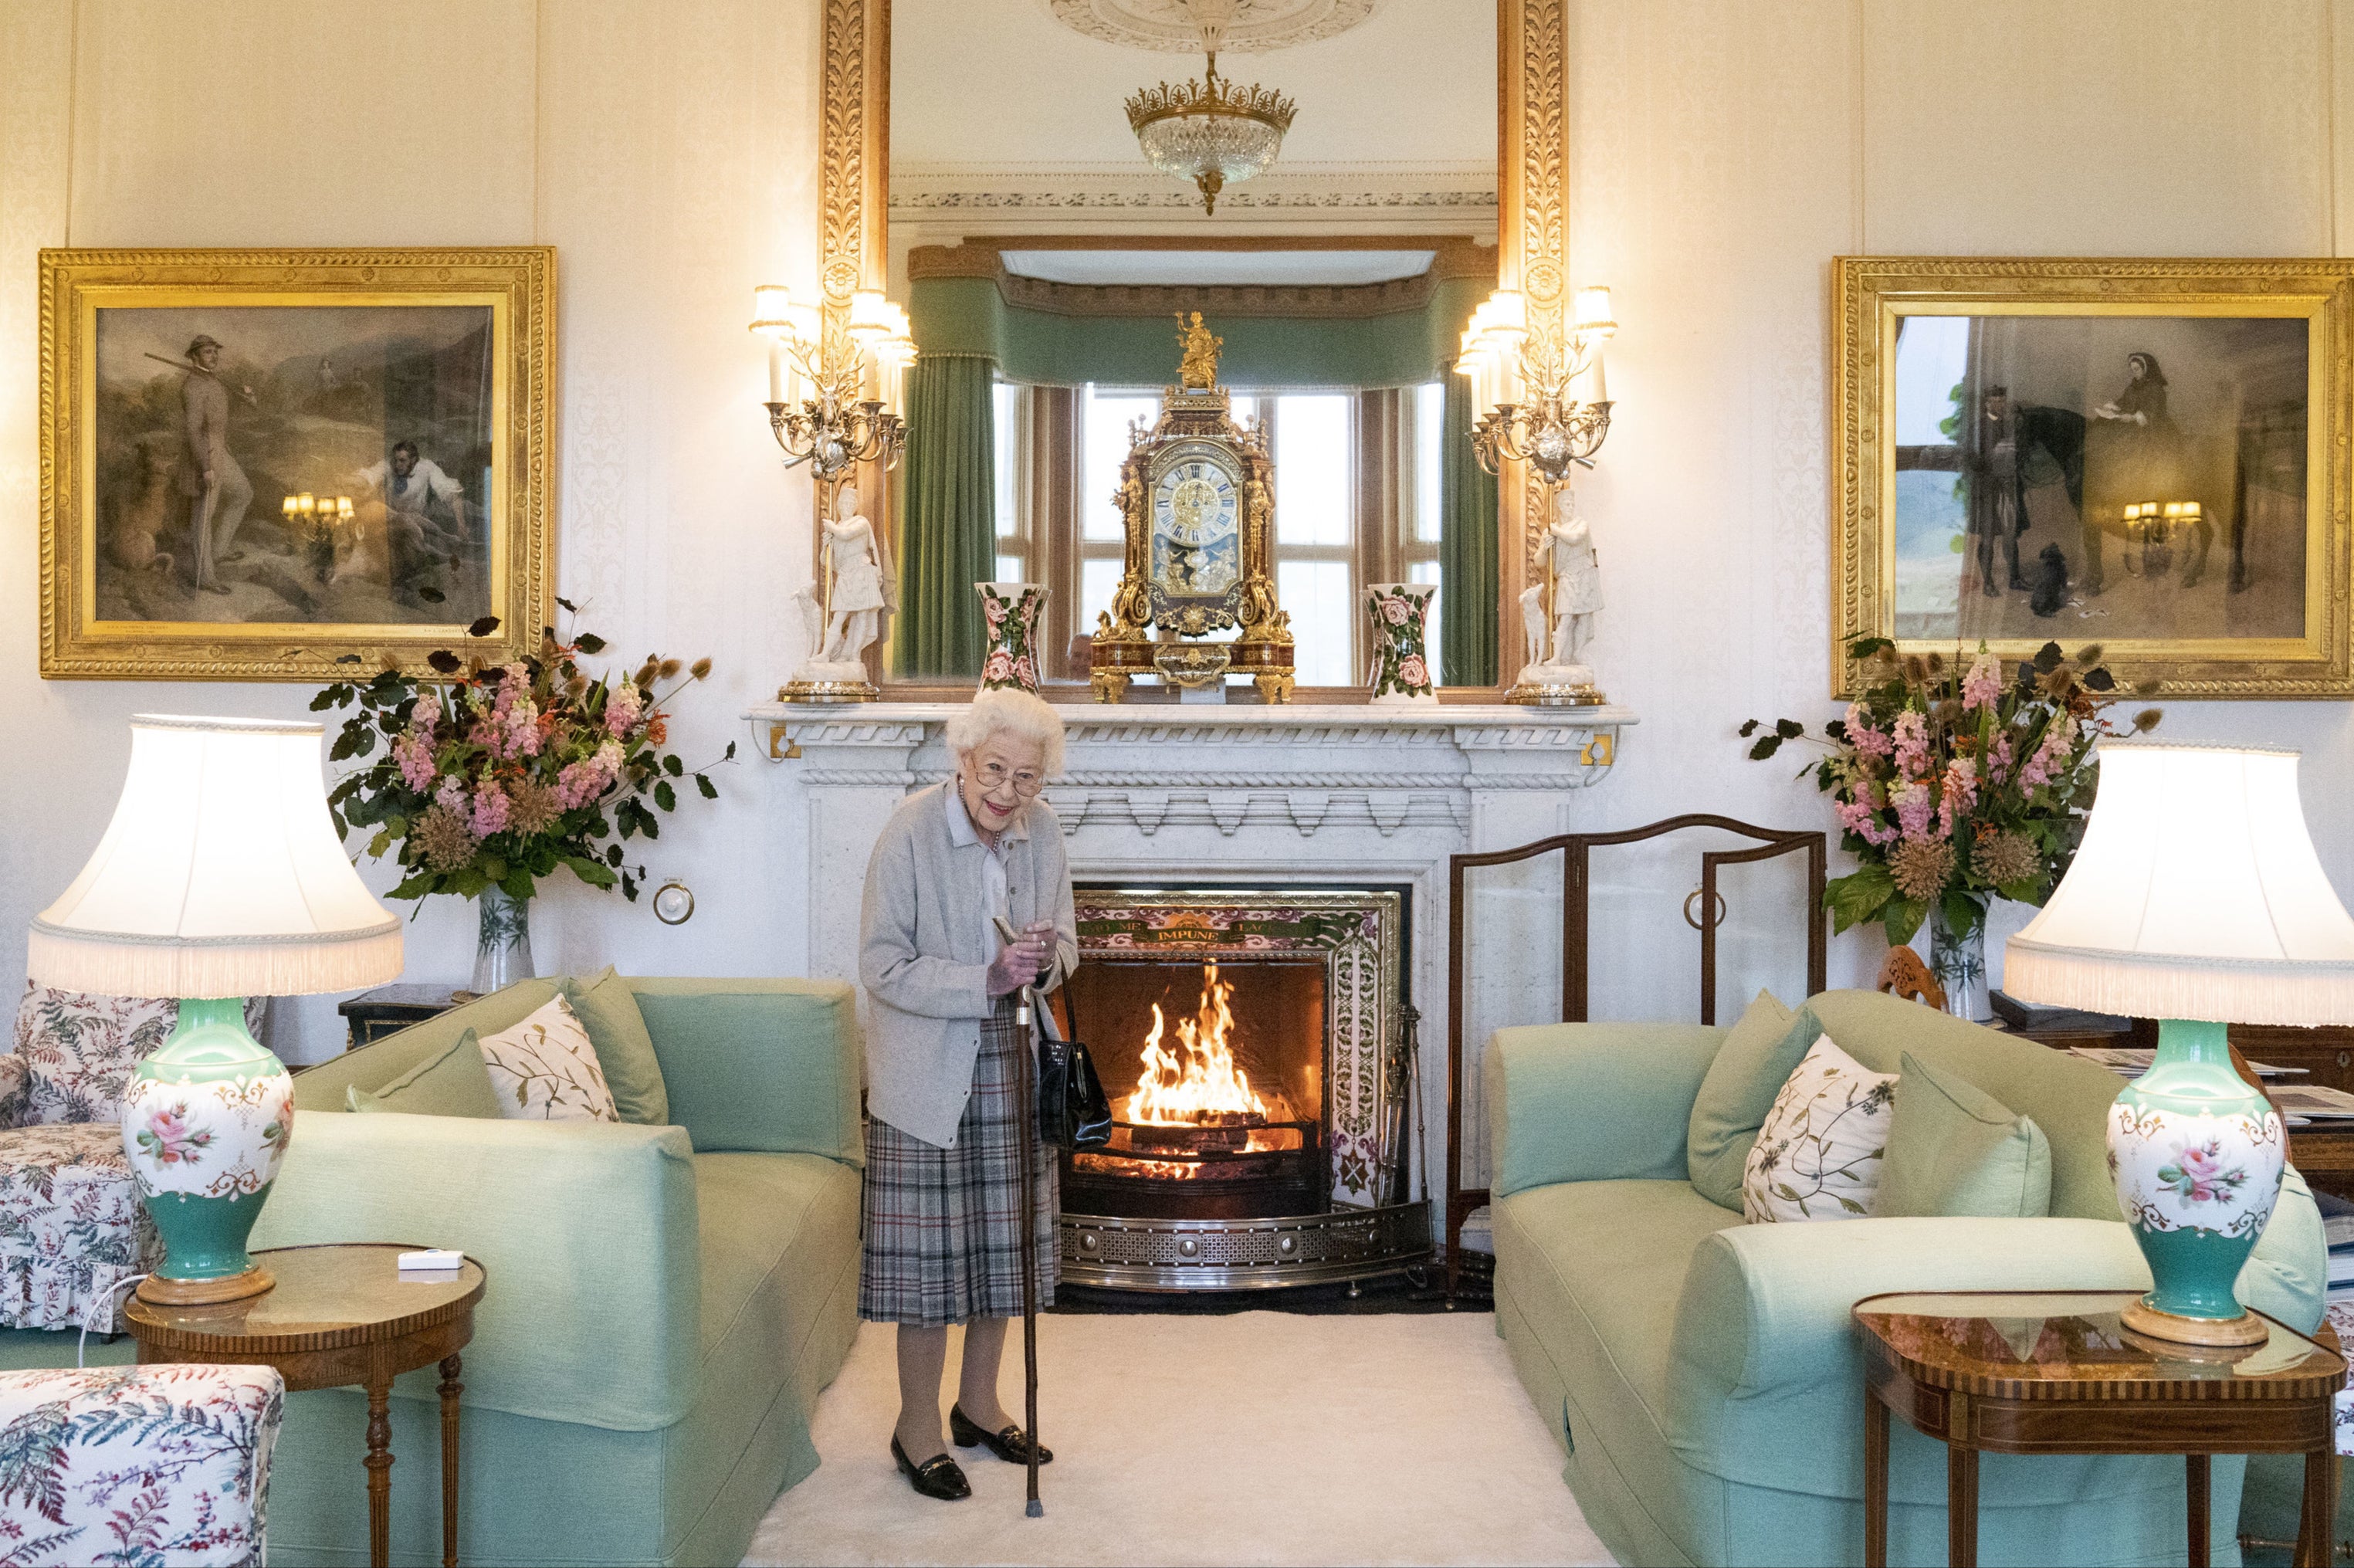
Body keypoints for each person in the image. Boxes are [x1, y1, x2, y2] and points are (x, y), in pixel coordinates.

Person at [858, 688, 1076, 1502]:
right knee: (931, 1265)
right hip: (927, 1070)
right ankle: (916, 1427)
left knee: (1000, 1250)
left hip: (1015, 1059)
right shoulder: (911, 829)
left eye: (1026, 777)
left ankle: (978, 1406)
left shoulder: (1042, 830)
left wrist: (1043, 959)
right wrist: (983, 978)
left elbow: (1068, 946)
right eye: (995, 770)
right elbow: (880, 965)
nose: (1008, 793)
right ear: (962, 759)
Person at [179, 335, 254, 594]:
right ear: (195, 356)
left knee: (243, 493)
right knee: (204, 516)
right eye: (208, 352)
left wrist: (246, 398)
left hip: (221, 447)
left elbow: (221, 416)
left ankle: (218, 552)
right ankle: (205, 577)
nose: (214, 356)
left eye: (215, 352)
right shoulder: (193, 386)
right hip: (205, 451)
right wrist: (205, 466)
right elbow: (192, 429)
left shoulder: (212, 380)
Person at [351, 441, 472, 552]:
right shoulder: (388, 465)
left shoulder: (427, 468)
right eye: (396, 460)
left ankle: (446, 541)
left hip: (420, 524)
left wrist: (462, 525)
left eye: (402, 461)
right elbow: (370, 475)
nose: (398, 465)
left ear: (413, 460)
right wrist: (354, 480)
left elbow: (452, 494)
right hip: (390, 523)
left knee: (426, 548)